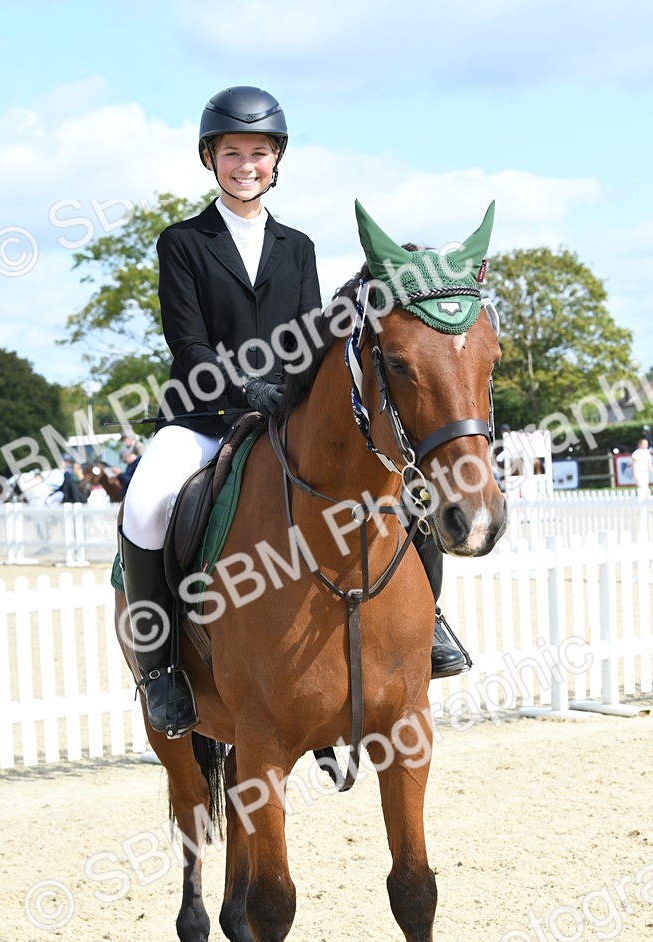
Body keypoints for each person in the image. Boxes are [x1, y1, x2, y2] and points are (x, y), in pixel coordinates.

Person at [121, 85, 468, 739]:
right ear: (210, 158)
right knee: (146, 505)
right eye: (232, 153)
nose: (245, 165)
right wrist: (245, 386)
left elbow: (310, 336)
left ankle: (433, 623)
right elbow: (188, 343)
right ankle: (161, 667)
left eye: (258, 153)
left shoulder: (297, 245)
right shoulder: (183, 242)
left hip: (285, 414)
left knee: (406, 489)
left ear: (276, 159)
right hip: (203, 416)